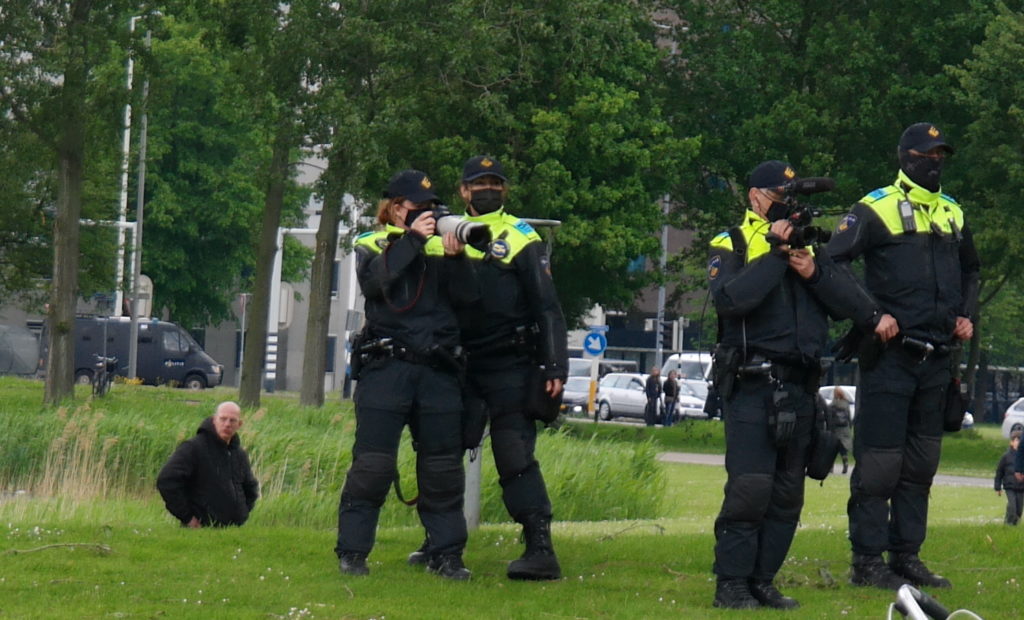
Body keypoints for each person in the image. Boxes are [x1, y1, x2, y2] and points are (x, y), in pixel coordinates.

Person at [827, 123, 980, 590]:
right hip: (891, 357)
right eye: (927, 154)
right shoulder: (874, 208)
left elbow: (971, 269)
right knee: (880, 466)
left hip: (937, 360)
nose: (935, 162)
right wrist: (871, 315)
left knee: (919, 466)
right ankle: (867, 561)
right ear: (906, 156)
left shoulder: (953, 212)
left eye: (941, 155)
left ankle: (907, 556)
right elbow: (832, 263)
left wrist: (966, 315)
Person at [408, 155, 568, 581]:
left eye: (495, 182)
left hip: (510, 365)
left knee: (515, 456)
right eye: (480, 183)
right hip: (457, 365)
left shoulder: (520, 236)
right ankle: (438, 540)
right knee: (440, 452)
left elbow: (548, 307)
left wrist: (556, 366)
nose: (488, 189)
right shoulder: (441, 234)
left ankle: (540, 548)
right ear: (463, 191)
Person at [707, 160, 858, 610]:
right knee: (750, 490)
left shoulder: (810, 250)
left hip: (801, 387)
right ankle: (731, 584)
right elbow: (731, 301)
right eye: (779, 195)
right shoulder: (732, 242)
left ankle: (762, 580)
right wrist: (775, 254)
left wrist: (813, 270)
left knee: (788, 494)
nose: (788, 205)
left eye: (794, 198)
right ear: (755, 197)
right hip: (754, 384)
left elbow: (848, 303)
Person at [335, 169, 479, 580]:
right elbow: (376, 285)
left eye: (432, 209)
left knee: (442, 470)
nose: (429, 216)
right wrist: (413, 240)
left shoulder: (445, 244)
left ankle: (446, 554)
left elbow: (469, 300)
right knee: (373, 467)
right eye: (419, 209)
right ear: (396, 209)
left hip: (438, 371)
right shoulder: (373, 242)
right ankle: (353, 552)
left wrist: (456, 258)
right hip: (387, 367)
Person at [156, 401, 259, 528]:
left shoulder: (239, 454)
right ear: (214, 420)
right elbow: (167, 481)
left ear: (239, 424)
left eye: (232, 421)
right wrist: (187, 517)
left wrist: (242, 513)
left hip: (233, 532)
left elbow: (250, 487)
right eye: (223, 419)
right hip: (200, 531)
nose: (227, 424)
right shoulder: (194, 448)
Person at [995, 431, 1024, 525]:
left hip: (1021, 487)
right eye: (1016, 440)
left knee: (1019, 509)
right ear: (1011, 442)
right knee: (1012, 507)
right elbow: (999, 472)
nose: (1018, 442)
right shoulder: (1006, 457)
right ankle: (1008, 524)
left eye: (1020, 440)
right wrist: (997, 487)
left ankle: (1015, 525)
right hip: (1009, 486)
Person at [828, 387, 853, 474]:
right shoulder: (846, 404)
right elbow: (849, 417)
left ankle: (831, 468)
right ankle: (845, 465)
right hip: (844, 428)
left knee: (833, 449)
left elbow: (829, 416)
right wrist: (849, 426)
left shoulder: (833, 404)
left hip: (835, 429)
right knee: (843, 449)